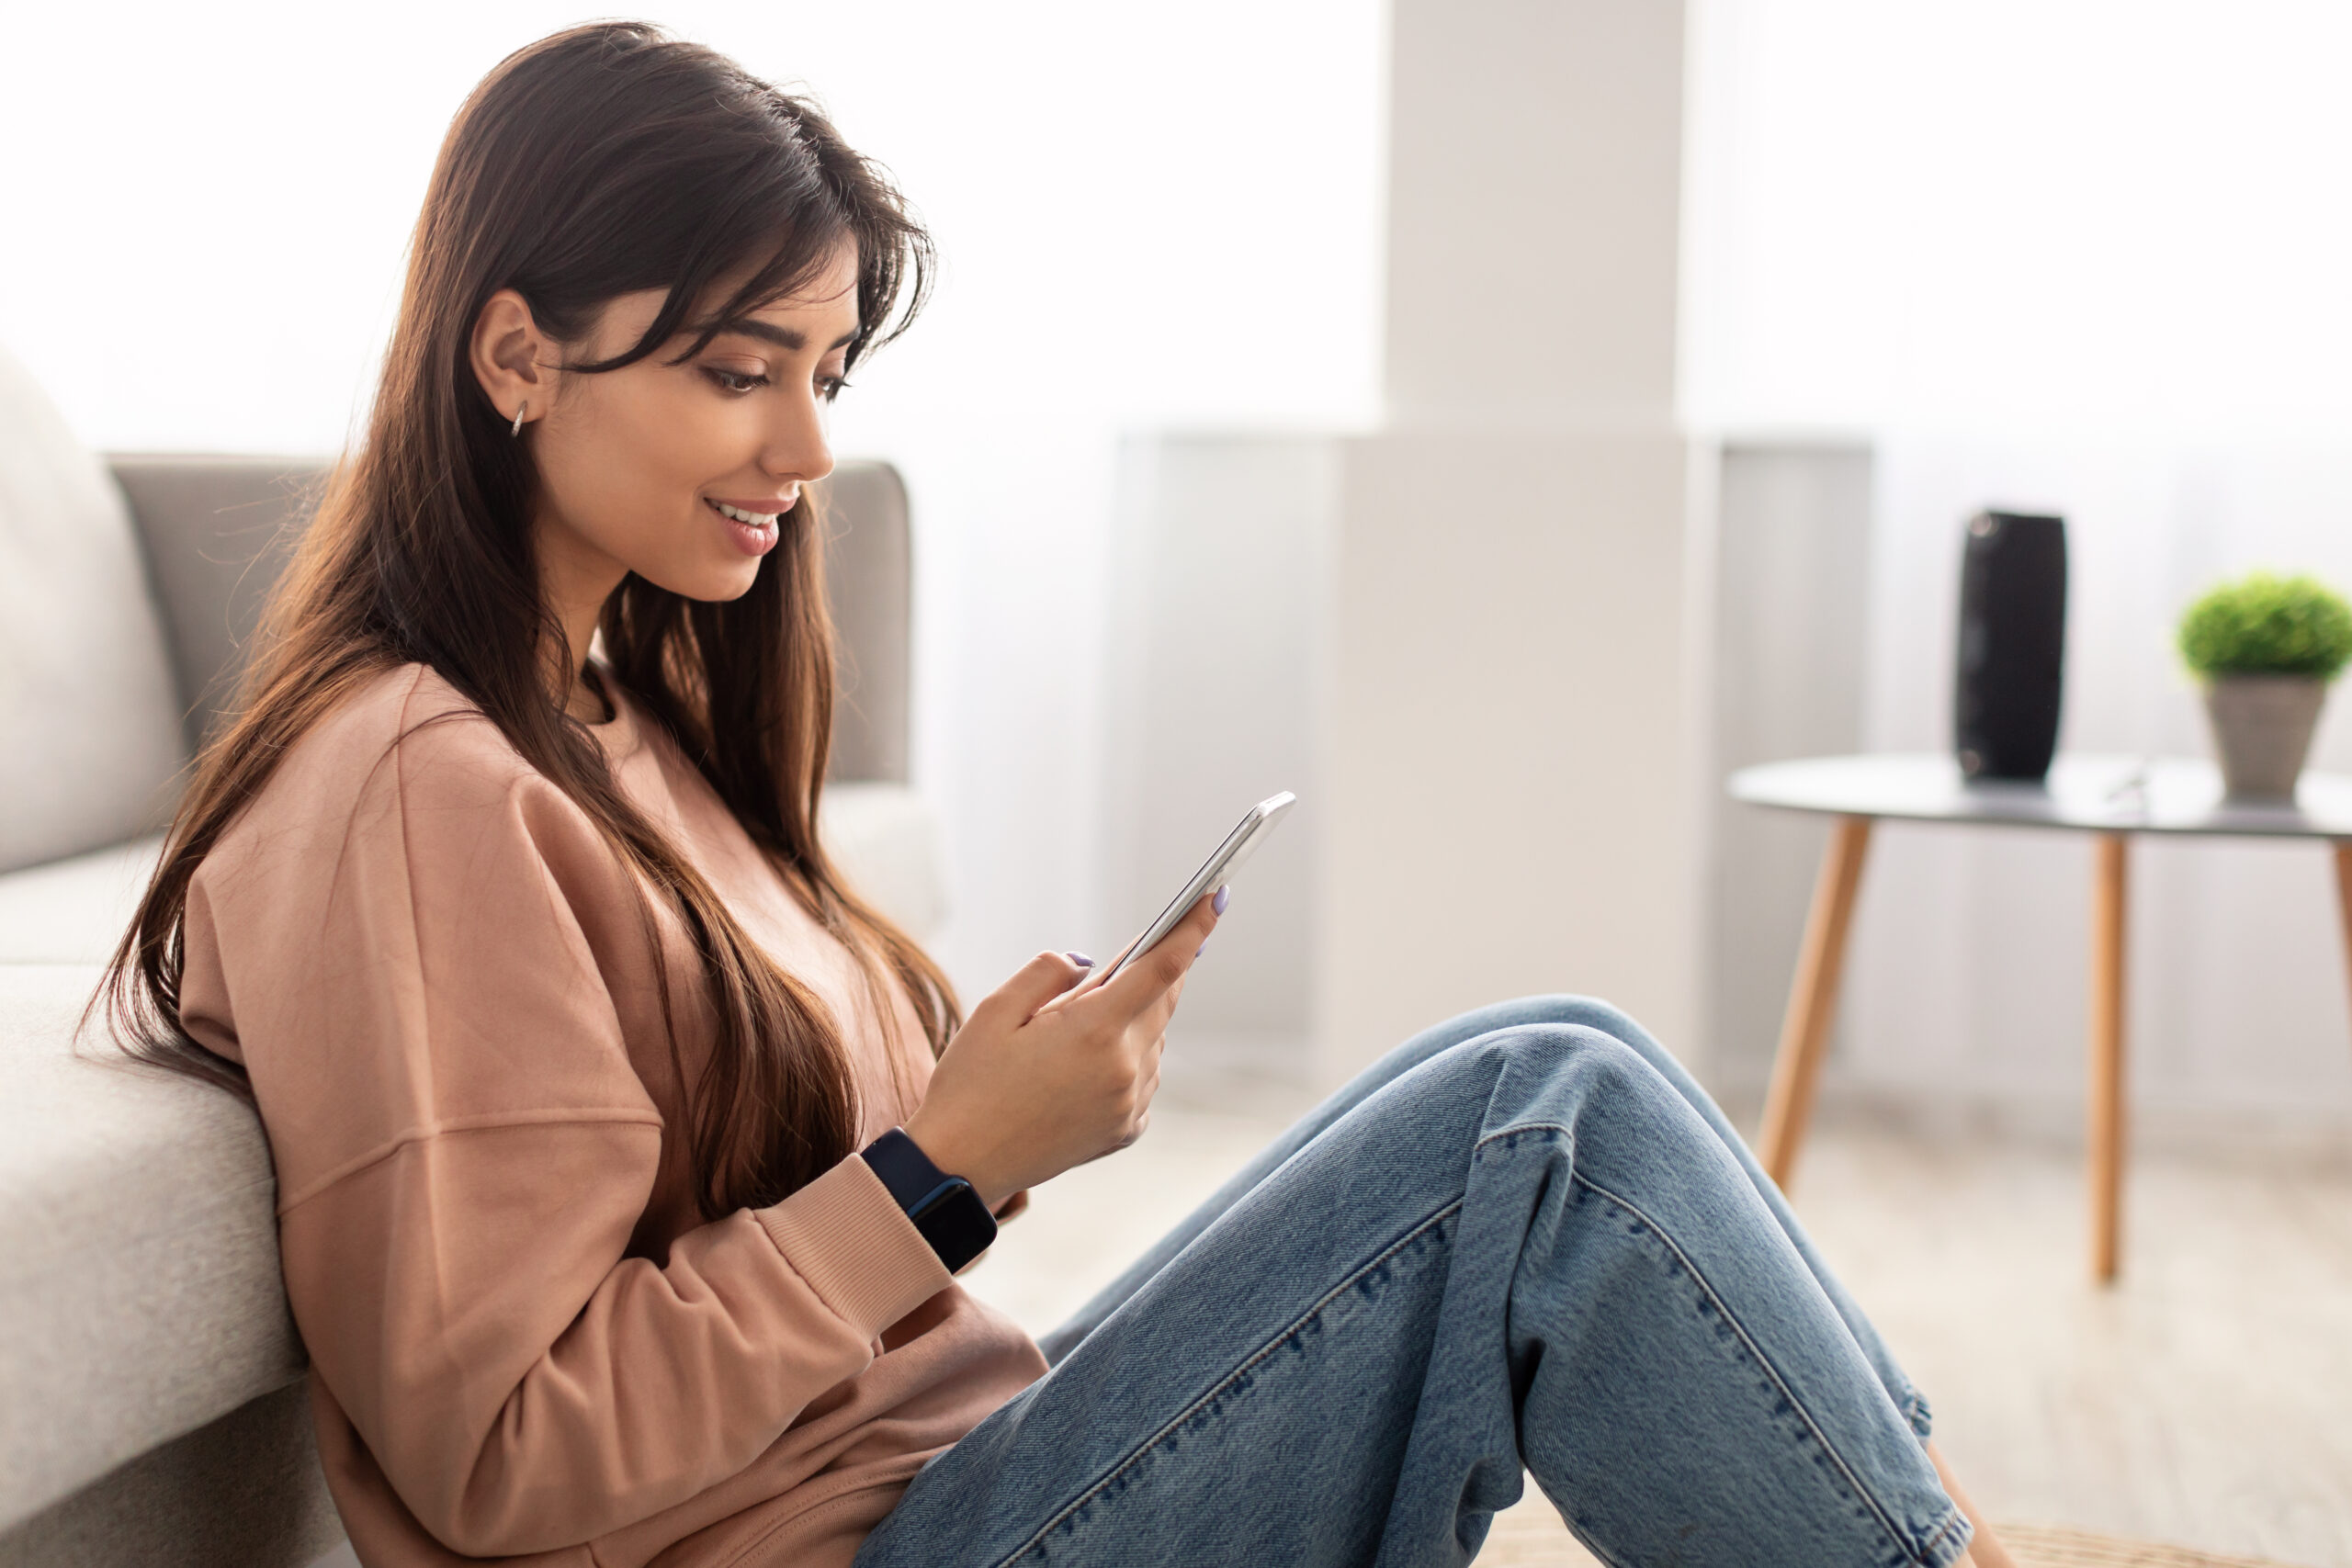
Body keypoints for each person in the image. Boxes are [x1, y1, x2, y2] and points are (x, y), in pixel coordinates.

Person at [101, 23, 2016, 1568]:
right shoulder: (416, 791)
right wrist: (940, 1172)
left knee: (1550, 1039)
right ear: (514, 349)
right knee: (1546, 1128)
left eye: (827, 367)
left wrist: (973, 1118)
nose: (806, 443)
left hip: (945, 1458)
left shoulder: (610, 712)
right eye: (738, 368)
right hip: (862, 1539)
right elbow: (504, 1450)